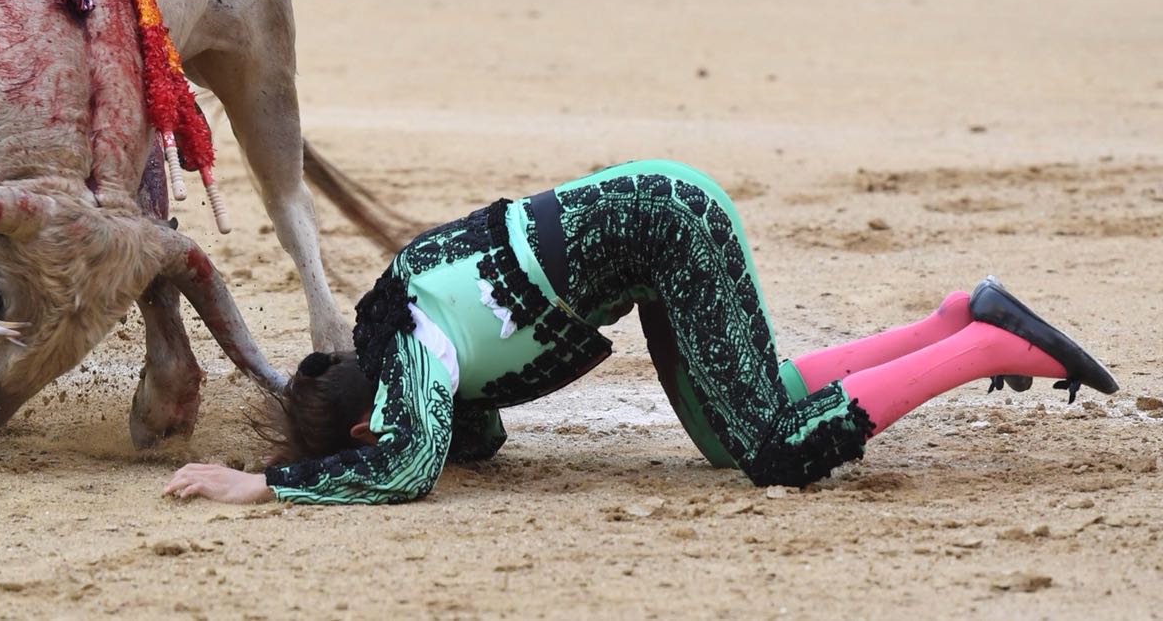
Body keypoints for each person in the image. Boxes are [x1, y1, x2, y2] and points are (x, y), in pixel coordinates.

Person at [162, 160, 1117, 505]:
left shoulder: (412, 354)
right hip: (654, 227)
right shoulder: (398, 316)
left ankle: (987, 345)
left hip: (671, 229)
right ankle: (946, 323)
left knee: (772, 452)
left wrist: (268, 484)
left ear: (367, 420)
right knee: (730, 432)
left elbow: (409, 465)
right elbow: (472, 436)